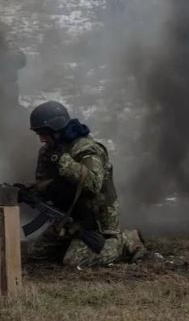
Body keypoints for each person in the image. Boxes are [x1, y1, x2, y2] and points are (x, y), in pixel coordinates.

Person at [25, 101, 146, 267]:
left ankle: (126, 242)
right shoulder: (48, 151)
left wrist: (64, 162)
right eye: (38, 134)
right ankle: (75, 244)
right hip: (70, 217)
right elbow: (45, 183)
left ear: (56, 129)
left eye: (44, 133)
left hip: (96, 220)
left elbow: (93, 184)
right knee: (36, 254)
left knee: (73, 261)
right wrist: (30, 192)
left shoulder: (86, 148)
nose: (41, 139)